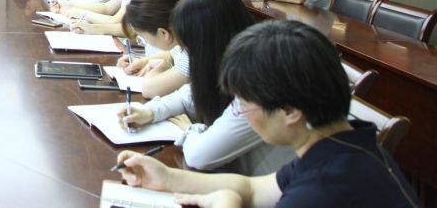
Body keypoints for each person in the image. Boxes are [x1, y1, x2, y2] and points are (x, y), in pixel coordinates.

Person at [114, 20, 420, 208]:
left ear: (290, 111)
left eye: (244, 103)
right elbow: (252, 188)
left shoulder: (321, 191)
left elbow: (241, 195)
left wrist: (225, 203)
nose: (243, 113)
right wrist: (167, 177)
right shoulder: (341, 145)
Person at [119, 0, 294, 176]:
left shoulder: (256, 85)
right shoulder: (230, 64)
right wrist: (150, 112)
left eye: (188, 45)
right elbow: (188, 95)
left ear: (206, 45)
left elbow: (198, 156)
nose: (187, 53)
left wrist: (190, 130)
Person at [117, 0, 188, 98]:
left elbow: (148, 89)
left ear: (163, 33)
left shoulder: (194, 53)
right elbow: (172, 54)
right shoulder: (183, 36)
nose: (141, 42)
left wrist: (163, 67)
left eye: (142, 37)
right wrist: (144, 61)